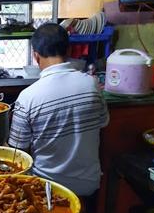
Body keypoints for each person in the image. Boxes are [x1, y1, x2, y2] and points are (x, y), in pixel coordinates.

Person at [8, 23, 109, 199]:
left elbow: (18, 152)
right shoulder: (92, 84)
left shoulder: (28, 97)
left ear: (35, 56)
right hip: (89, 182)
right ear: (68, 50)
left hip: (47, 186)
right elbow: (103, 122)